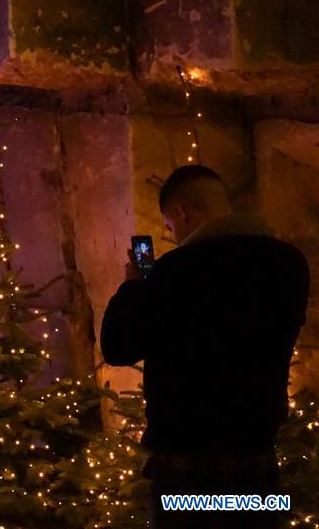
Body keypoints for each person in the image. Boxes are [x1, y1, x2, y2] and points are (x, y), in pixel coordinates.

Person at [101, 165, 310, 529]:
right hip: (255, 449)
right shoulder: (290, 264)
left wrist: (135, 285)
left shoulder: (174, 272)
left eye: (170, 225)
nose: (174, 234)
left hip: (187, 457)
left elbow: (118, 346)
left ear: (181, 212)